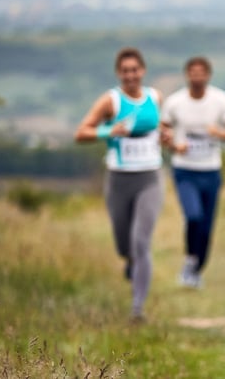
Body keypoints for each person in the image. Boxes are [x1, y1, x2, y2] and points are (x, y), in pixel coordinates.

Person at [74, 47, 168, 322]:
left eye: (135, 70)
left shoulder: (155, 97)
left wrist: (165, 135)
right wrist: (108, 130)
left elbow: (160, 126)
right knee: (123, 244)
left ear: (143, 71)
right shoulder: (110, 101)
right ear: (119, 73)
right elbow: (81, 133)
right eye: (125, 71)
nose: (131, 75)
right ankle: (129, 261)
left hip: (150, 177)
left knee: (141, 242)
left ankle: (137, 309)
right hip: (119, 179)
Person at [160, 56, 225, 289]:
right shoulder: (175, 102)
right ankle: (189, 261)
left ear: (208, 75)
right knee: (193, 216)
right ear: (186, 75)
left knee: (206, 226)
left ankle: (196, 269)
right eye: (192, 73)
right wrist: (173, 145)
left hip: (211, 170)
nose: (197, 77)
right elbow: (163, 132)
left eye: (201, 73)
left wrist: (219, 133)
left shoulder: (220, 100)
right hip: (184, 169)